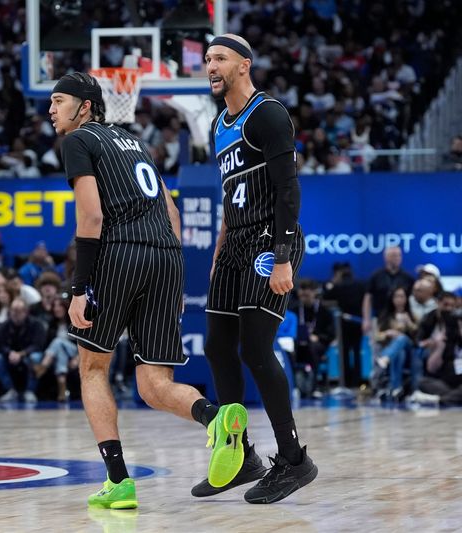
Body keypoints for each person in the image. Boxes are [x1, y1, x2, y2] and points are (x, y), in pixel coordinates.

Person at [51, 71, 247, 510]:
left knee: (93, 369)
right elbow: (172, 212)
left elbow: (92, 219)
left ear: (84, 107)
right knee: (154, 383)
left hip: (119, 252)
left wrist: (79, 288)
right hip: (165, 255)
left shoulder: (78, 142)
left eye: (59, 100)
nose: (51, 108)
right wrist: (171, 279)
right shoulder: (136, 143)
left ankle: (118, 481)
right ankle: (214, 418)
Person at [200, 34, 317, 504]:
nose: (211, 65)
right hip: (236, 243)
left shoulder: (267, 113)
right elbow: (231, 197)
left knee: (255, 349)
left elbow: (289, 190)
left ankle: (293, 460)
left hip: (271, 240)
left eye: (220, 58)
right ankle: (239, 455)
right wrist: (219, 249)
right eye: (208, 59)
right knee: (216, 345)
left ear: (243, 65)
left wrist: (284, 256)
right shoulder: (217, 125)